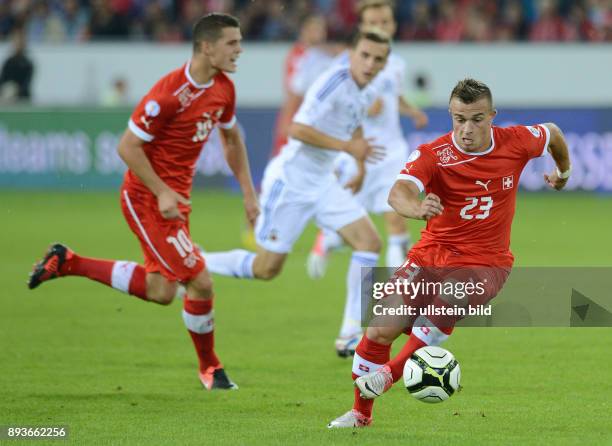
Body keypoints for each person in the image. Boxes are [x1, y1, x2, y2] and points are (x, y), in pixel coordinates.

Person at [27, 13, 259, 391]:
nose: (240, 49)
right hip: (146, 199)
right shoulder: (168, 93)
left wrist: (249, 193)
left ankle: (68, 262)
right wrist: (161, 190)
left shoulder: (223, 89)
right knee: (199, 280)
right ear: (206, 46)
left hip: (175, 202)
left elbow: (232, 140)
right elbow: (127, 146)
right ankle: (211, 370)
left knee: (161, 291)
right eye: (232, 43)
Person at [327, 78, 572, 428]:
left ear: (492, 117)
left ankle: (392, 374)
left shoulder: (516, 141)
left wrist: (563, 173)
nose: (466, 128)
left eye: (476, 119)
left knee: (447, 298)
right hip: (431, 254)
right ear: (450, 115)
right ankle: (360, 415)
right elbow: (398, 192)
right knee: (381, 328)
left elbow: (553, 133)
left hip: (486, 262)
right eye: (459, 119)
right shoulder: (434, 155)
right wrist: (415, 208)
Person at [201, 30, 390, 357]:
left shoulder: (364, 90)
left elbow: (354, 123)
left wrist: (358, 164)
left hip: (323, 182)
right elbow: (297, 129)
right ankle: (195, 261)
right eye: (365, 55)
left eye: (378, 59)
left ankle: (348, 335)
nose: (370, 63)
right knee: (267, 268)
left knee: (370, 242)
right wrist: (347, 146)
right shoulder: (333, 82)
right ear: (351, 54)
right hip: (291, 182)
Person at [307, 0, 429, 282]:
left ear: (394, 25)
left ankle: (398, 287)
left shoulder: (396, 64)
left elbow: (392, 97)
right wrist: (362, 110)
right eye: (373, 23)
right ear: (361, 27)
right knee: (349, 222)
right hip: (358, 152)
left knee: (396, 216)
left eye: (385, 22)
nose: (380, 28)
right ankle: (327, 238)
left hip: (392, 150)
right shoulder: (343, 65)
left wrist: (411, 111)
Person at [0, 28, 34, 103]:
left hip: (22, 98)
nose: (17, 44)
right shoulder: (8, 62)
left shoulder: (27, 63)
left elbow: (26, 84)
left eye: (20, 42)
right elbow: (2, 80)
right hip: (6, 97)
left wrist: (16, 91)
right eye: (16, 41)